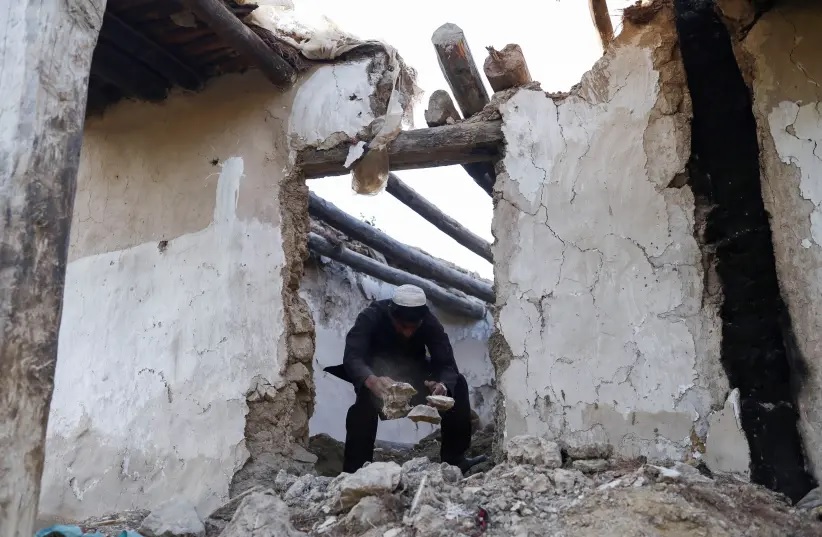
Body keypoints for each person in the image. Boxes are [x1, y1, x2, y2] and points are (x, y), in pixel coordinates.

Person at [325, 284, 485, 474]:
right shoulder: (371, 316)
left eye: (413, 327)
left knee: (457, 384)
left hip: (416, 376)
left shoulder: (429, 322)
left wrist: (441, 385)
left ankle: (455, 460)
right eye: (402, 326)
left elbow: (447, 364)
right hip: (378, 379)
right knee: (362, 409)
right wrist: (371, 380)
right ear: (392, 315)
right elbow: (353, 357)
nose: (408, 332)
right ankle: (355, 471)